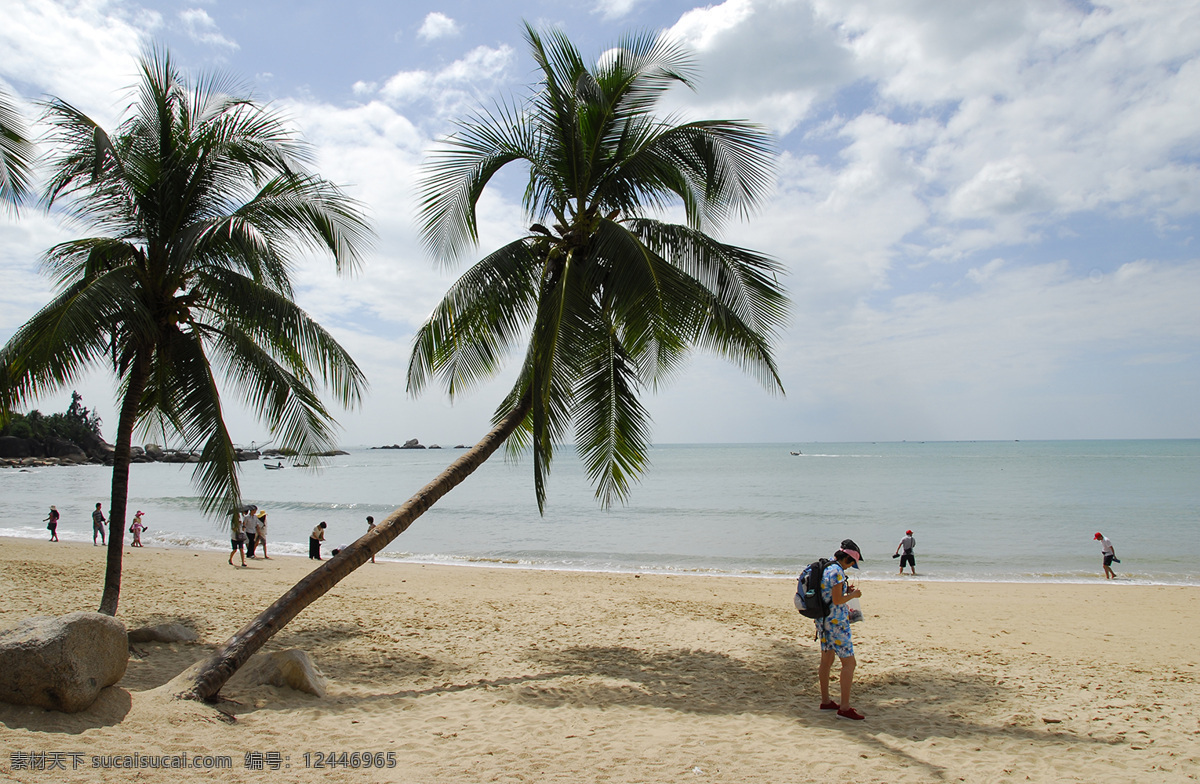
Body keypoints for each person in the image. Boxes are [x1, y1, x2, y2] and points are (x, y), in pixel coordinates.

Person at [816, 538, 866, 721]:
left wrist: (845, 591)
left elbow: (830, 594)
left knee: (826, 660)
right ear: (848, 559)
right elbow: (837, 601)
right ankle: (844, 707)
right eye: (852, 563)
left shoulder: (828, 567)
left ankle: (826, 701)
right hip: (836, 623)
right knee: (849, 663)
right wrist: (852, 595)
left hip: (822, 621)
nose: (851, 567)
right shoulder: (837, 572)